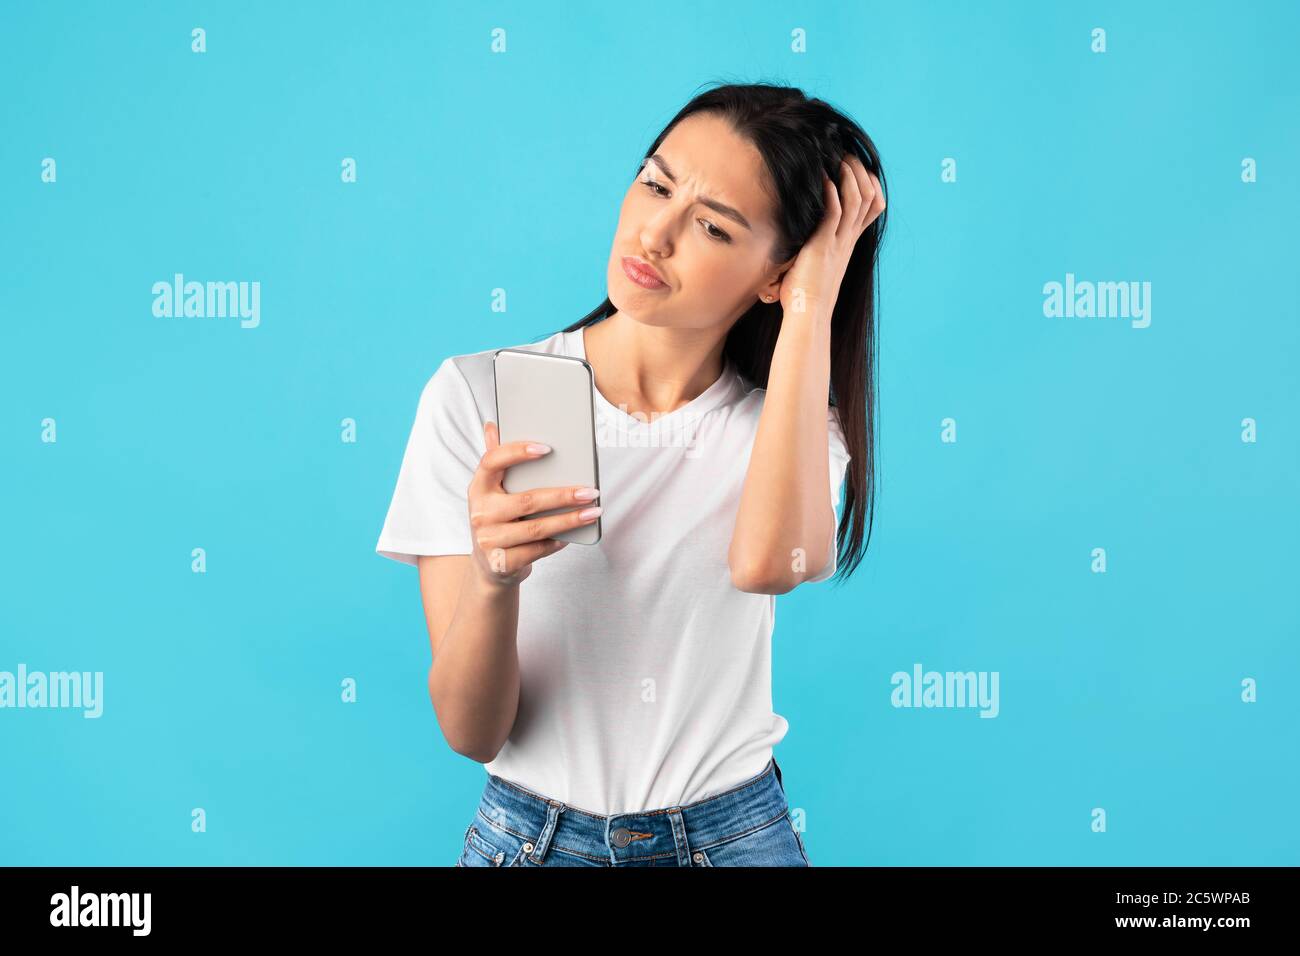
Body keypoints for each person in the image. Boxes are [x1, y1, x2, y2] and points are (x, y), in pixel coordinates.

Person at [376, 82, 887, 866]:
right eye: (655, 183)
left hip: (732, 839)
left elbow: (770, 564)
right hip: (530, 839)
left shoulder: (787, 428)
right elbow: (470, 730)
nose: (655, 234)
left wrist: (812, 302)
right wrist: (493, 578)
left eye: (713, 226)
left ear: (774, 273)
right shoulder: (477, 395)